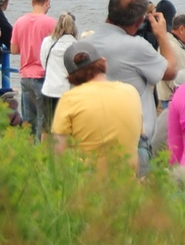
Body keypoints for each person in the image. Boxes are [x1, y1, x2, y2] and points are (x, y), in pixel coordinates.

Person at [90, 0, 180, 174]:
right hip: (133, 141)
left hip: (96, 136)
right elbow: (171, 70)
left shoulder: (86, 44)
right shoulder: (135, 47)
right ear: (140, 21)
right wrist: (162, 35)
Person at [52, 42, 142, 170]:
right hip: (127, 184)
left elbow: (59, 154)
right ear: (103, 62)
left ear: (71, 77)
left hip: (87, 185)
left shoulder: (69, 99)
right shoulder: (131, 92)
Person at [11, 0, 56, 140]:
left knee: (28, 119)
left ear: (32, 3)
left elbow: (14, 49)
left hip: (25, 75)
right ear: (47, 3)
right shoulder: (51, 23)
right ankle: (41, 153)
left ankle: (28, 151)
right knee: (45, 120)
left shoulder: (19, 22)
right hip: (43, 75)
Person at [39, 12, 78, 133]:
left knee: (47, 126)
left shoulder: (47, 41)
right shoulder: (76, 45)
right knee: (68, 128)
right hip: (68, 92)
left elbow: (43, 62)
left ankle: (45, 151)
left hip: (49, 89)